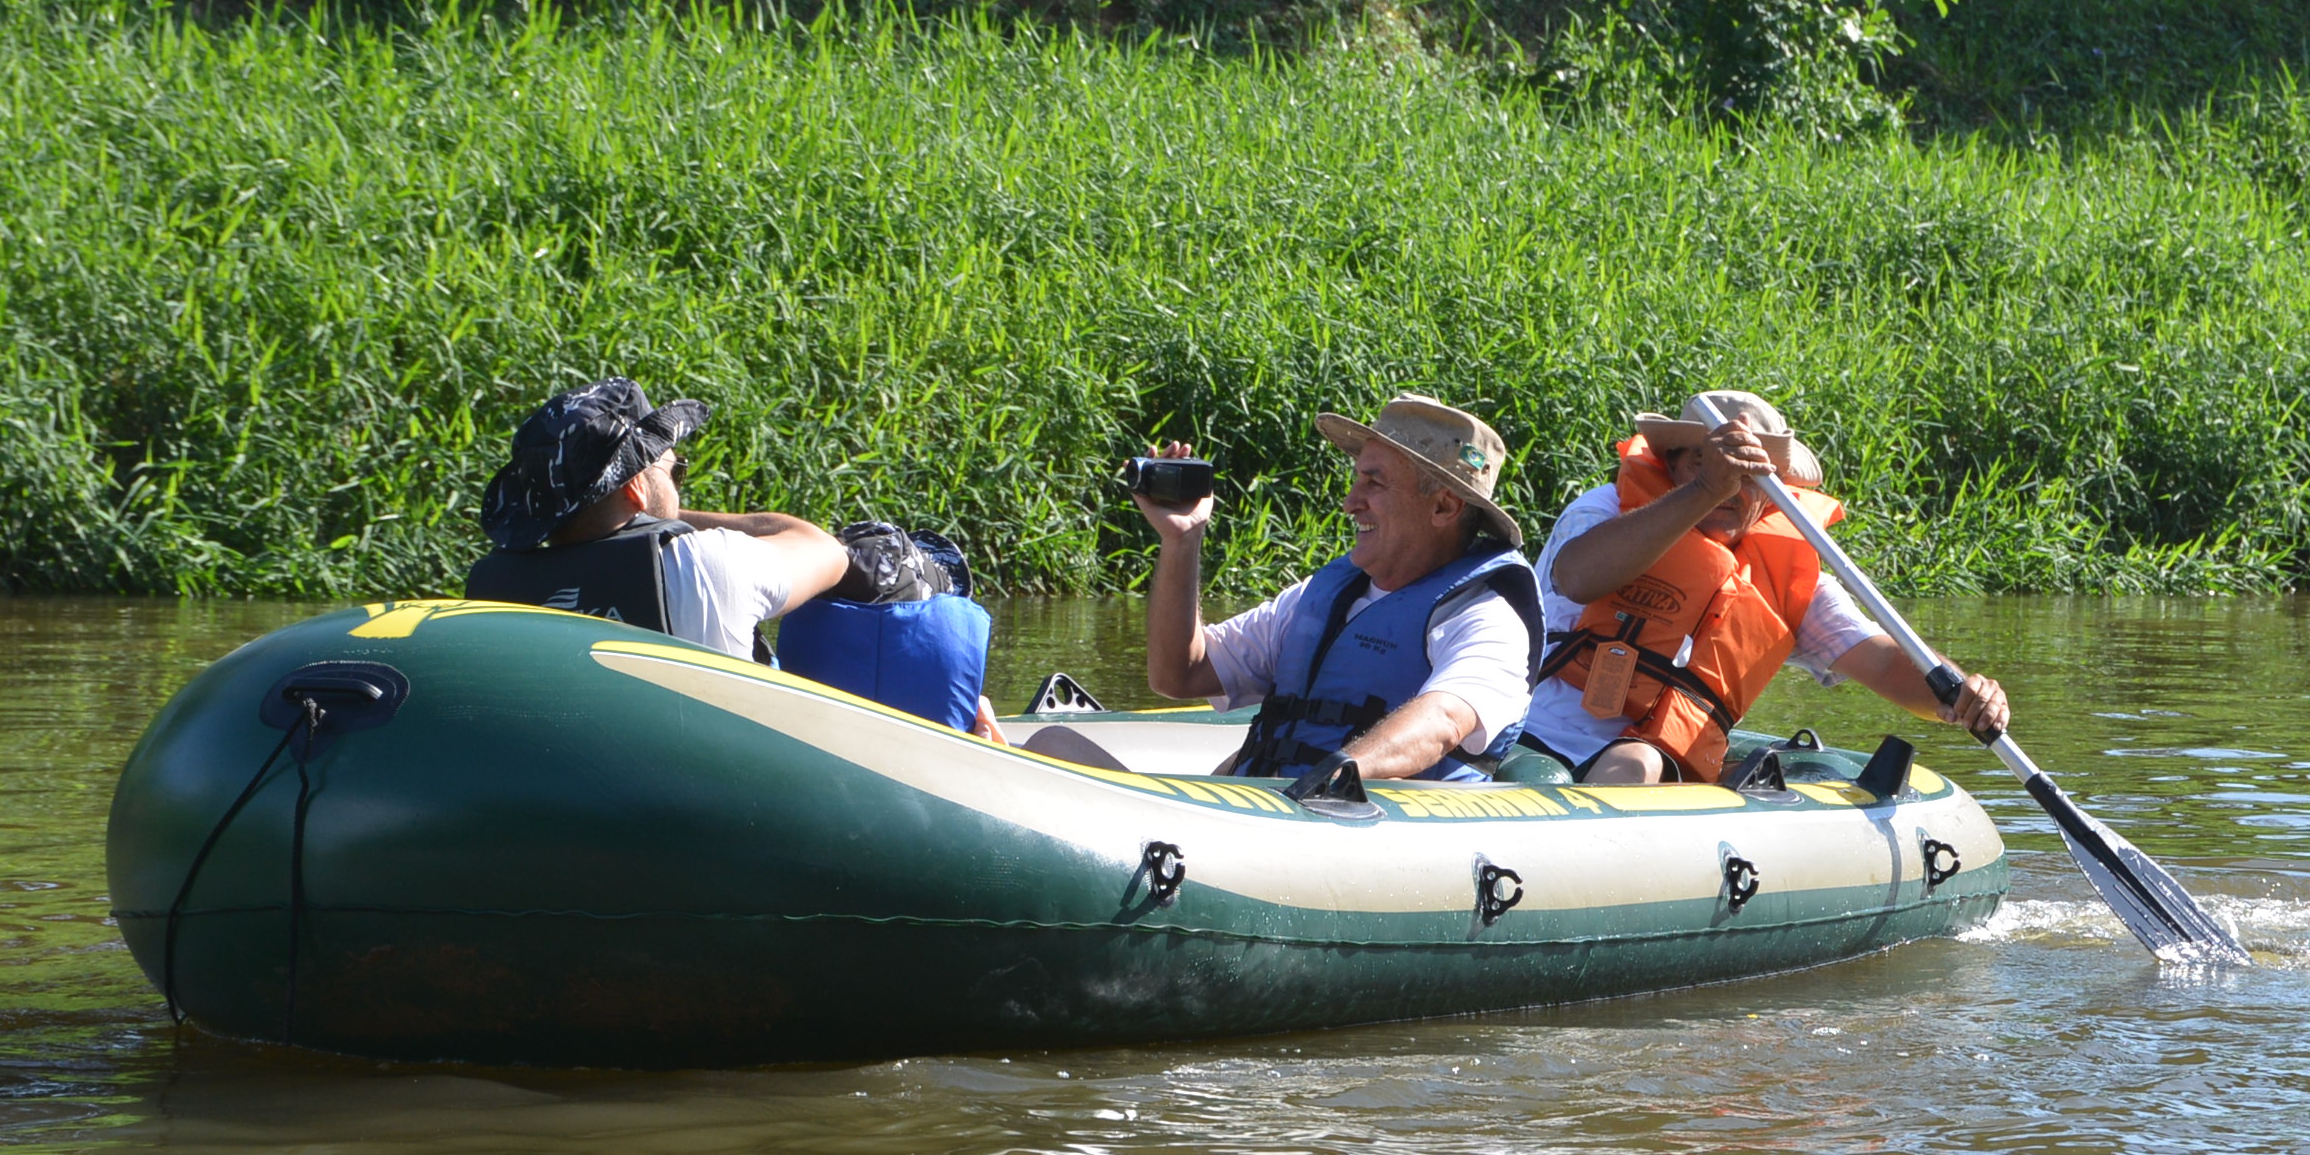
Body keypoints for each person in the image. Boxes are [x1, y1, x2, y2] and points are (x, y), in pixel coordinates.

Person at [1030, 397, 1542, 788]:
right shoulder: (1322, 597)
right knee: (1053, 743)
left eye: (1375, 483)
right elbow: (1179, 674)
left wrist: (1324, 780)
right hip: (1254, 821)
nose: (1350, 502)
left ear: (1444, 507)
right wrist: (1181, 541)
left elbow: (1443, 720)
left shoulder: (1487, 618)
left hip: (1339, 838)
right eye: (1356, 480)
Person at [1521, 391, 2009, 785]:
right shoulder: (1604, 511)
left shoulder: (1789, 578)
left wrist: (1961, 694)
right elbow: (1578, 579)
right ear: (1671, 466)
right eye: (1706, 463)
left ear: (1776, 491)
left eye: (1749, 475)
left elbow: (1883, 662)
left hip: (1650, 758)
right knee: (1632, 764)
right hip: (1532, 730)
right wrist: (1704, 491)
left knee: (1635, 762)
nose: (1730, 486)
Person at [467, 379, 1001, 737]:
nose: (679, 484)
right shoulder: (701, 565)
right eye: (674, 472)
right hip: (722, 811)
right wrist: (666, 522)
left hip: (570, 806)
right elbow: (822, 549)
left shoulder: (492, 597)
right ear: (635, 490)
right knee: (883, 557)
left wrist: (637, 518)